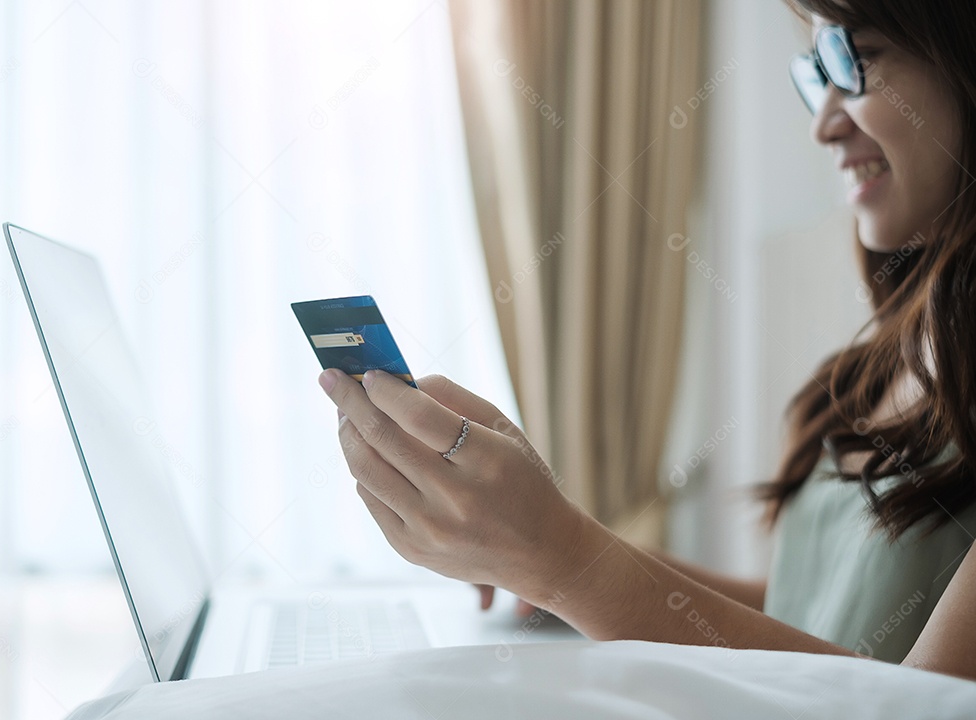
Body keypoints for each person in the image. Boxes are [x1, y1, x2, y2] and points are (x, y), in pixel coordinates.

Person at [317, 0, 976, 682]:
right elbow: (809, 620)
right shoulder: (881, 366)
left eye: (855, 60)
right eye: (816, 73)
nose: (824, 124)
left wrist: (566, 560)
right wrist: (547, 559)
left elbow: (929, 703)